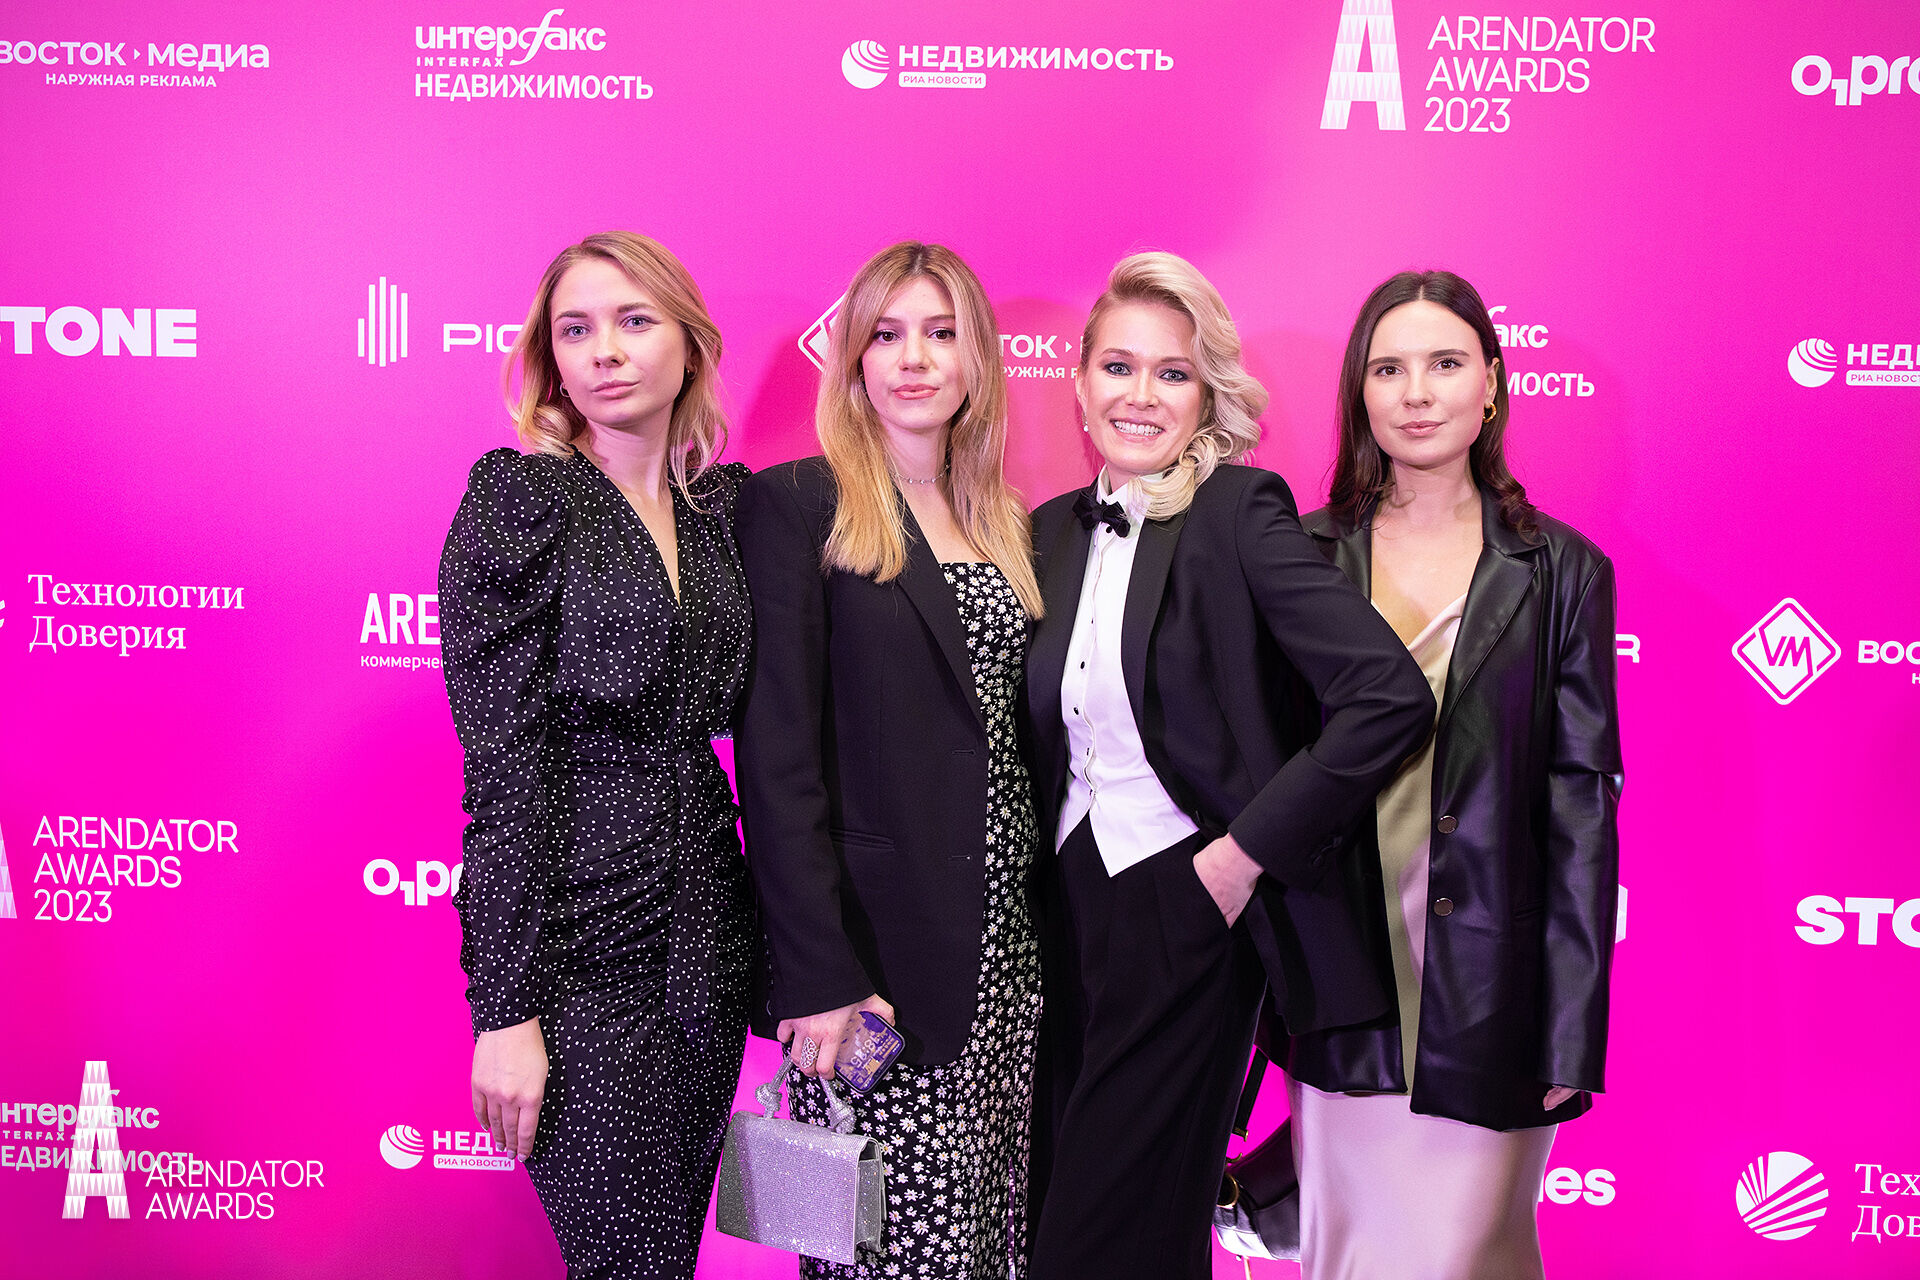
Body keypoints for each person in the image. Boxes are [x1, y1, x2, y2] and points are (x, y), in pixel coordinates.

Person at [1023, 252, 1435, 1280]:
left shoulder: (1239, 512)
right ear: (1080, 382)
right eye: (1119, 367)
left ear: (1206, 393)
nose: (1141, 395)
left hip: (1187, 908)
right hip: (1065, 913)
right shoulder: (1045, 532)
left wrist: (1242, 854)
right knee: (1087, 1219)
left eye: (1172, 373)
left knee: (1099, 1239)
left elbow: (1388, 696)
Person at [1288, 269, 1624, 1280]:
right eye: (1389, 369)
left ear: (1492, 382)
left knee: (1465, 1255)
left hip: (1490, 991)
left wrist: (1569, 1030)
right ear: (1360, 391)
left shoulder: (1562, 570)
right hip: (1342, 981)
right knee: (1348, 1255)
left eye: (1444, 363)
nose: (1417, 393)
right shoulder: (1302, 555)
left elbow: (1580, 808)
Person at [438, 231, 753, 1279]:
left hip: (707, 944)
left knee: (665, 1257)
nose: (605, 350)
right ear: (551, 358)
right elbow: (504, 777)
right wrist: (506, 1012)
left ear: (689, 344)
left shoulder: (718, 514)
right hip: (583, 954)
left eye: (633, 320)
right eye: (576, 329)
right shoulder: (523, 503)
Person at [734, 242, 1047, 1280]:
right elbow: (778, 764)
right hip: (875, 975)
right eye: (887, 334)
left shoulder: (1007, 519)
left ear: (978, 358)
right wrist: (818, 973)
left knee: (990, 1242)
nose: (915, 359)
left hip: (1010, 960)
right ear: (855, 360)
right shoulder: (799, 505)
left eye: (942, 333)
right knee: (881, 1253)